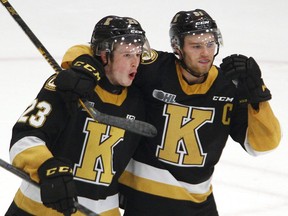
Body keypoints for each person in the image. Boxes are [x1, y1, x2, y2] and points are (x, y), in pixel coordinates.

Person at [56, 9, 281, 216]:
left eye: (210, 44)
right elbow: (99, 48)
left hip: (198, 206)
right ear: (177, 46)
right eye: (196, 46)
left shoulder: (228, 86)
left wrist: (258, 97)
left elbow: (263, 145)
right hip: (143, 203)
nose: (206, 53)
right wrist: (82, 65)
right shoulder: (152, 68)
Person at [5, 15, 152, 216]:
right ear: (104, 55)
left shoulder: (140, 96)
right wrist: (46, 167)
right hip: (39, 210)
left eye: (138, 54)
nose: (135, 62)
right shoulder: (69, 86)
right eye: (127, 55)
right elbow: (24, 137)